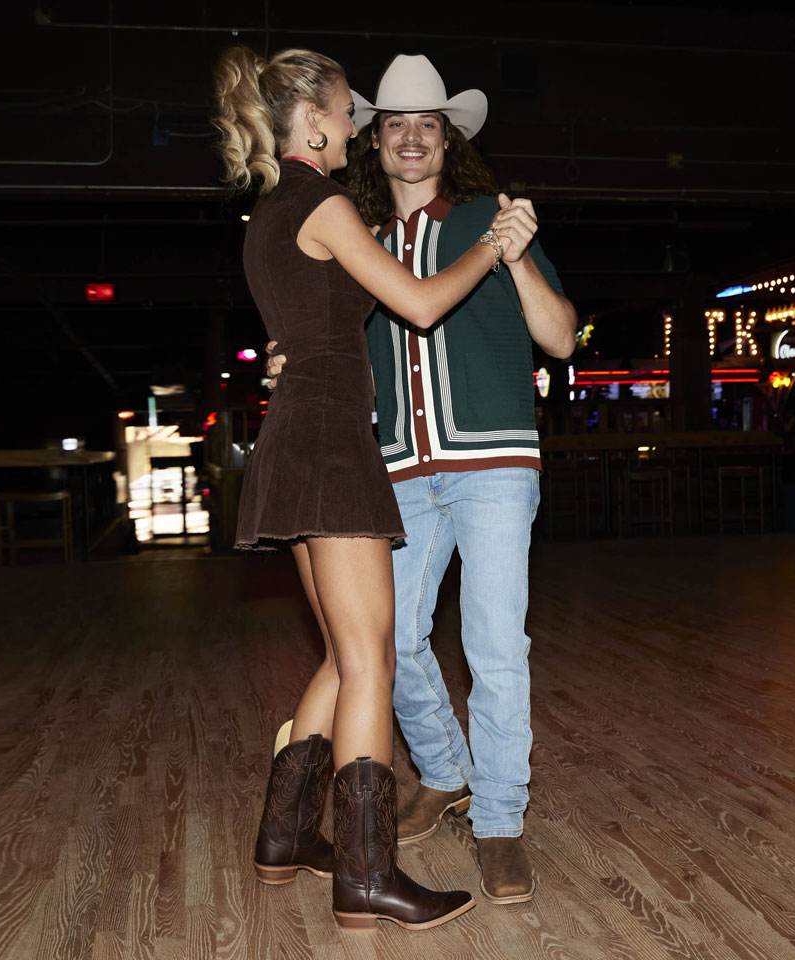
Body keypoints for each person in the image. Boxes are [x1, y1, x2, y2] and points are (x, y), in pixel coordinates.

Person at [210, 45, 533, 933]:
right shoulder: (318, 200)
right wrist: (494, 251)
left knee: (340, 656)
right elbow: (421, 305)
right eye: (349, 110)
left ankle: (283, 839)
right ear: (311, 120)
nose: (356, 125)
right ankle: (367, 872)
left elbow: (303, 327)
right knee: (372, 663)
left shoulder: (271, 215)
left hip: (296, 443)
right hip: (329, 448)